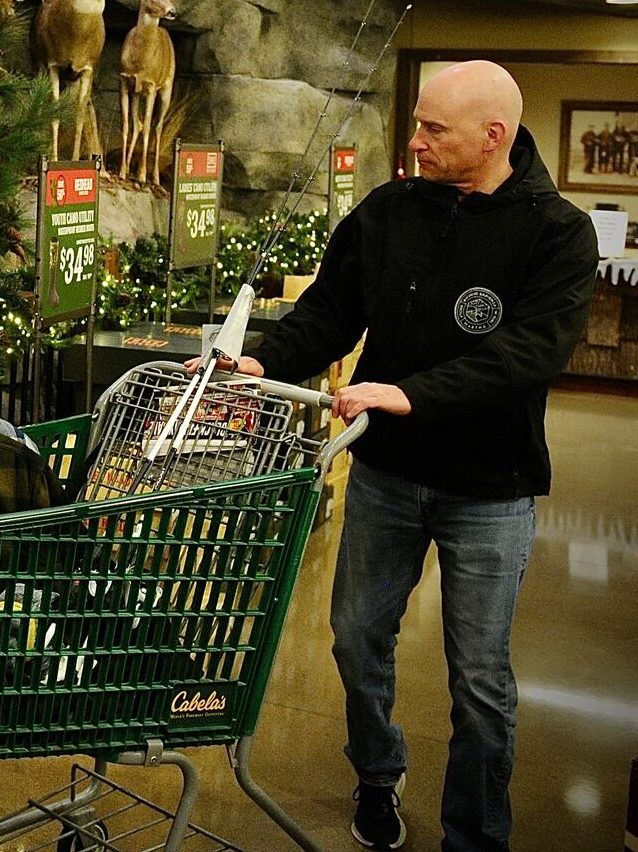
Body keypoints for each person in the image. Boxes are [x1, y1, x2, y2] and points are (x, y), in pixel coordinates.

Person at [215, 61, 598, 851]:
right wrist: (263, 363)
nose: (413, 140)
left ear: (493, 137)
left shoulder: (555, 230)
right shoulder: (388, 211)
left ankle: (475, 833)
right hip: (387, 477)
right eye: (416, 122)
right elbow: (328, 310)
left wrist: (410, 392)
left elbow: (530, 353)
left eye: (433, 129)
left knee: (480, 682)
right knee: (356, 640)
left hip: (491, 490)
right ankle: (378, 775)